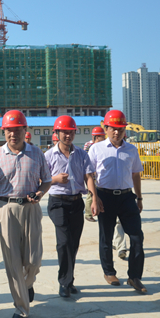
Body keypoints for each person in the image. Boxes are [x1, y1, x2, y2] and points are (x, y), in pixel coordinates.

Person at [0, 110, 51, 318]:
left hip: (32, 208)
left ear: (24, 130)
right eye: (9, 130)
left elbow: (47, 180)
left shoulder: (37, 153)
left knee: (34, 259)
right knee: (13, 262)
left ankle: (27, 284)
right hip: (6, 210)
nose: (13, 134)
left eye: (17, 130)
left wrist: (40, 193)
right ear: (4, 132)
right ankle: (21, 308)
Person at [88, 109, 147, 294]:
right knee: (106, 237)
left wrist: (139, 198)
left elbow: (136, 174)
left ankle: (134, 276)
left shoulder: (131, 150)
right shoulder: (96, 149)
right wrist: (94, 198)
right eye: (113, 128)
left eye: (120, 129)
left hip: (127, 197)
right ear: (106, 128)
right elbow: (89, 175)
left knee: (137, 237)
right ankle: (109, 272)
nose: (116, 132)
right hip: (104, 196)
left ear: (125, 130)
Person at [44, 116, 100, 298]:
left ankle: (69, 280)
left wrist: (94, 199)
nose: (68, 135)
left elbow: (89, 177)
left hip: (76, 202)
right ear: (57, 133)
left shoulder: (82, 154)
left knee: (73, 243)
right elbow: (41, 180)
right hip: (57, 202)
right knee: (64, 242)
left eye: (71, 132)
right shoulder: (49, 156)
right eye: (64, 132)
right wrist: (55, 179)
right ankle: (64, 282)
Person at [83, 126, 106, 223]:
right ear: (97, 137)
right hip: (91, 174)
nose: (104, 138)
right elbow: (87, 161)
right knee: (91, 194)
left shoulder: (102, 146)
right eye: (102, 137)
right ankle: (88, 214)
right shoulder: (90, 146)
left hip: (99, 174)